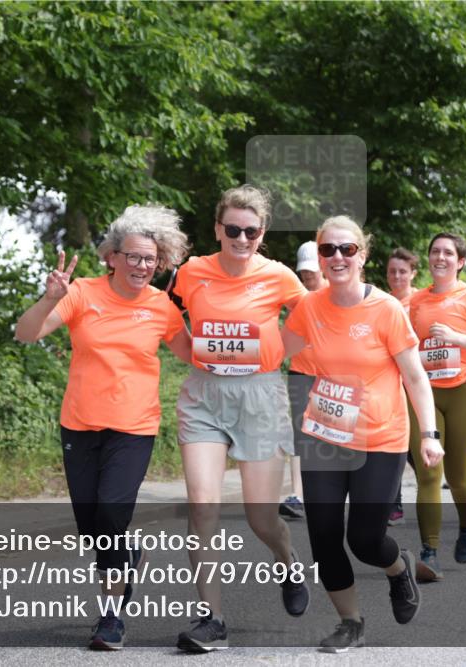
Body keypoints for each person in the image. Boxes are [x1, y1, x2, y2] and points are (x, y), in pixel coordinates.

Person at [14, 205, 191, 650]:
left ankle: (111, 616)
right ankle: (128, 557)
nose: (141, 266)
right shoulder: (82, 294)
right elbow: (26, 333)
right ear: (112, 257)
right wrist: (50, 297)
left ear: (160, 262)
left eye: (150, 259)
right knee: (92, 526)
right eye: (132, 256)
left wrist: (229, 331)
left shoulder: (162, 307)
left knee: (112, 515)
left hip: (134, 428)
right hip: (79, 425)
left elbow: (195, 354)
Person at [281, 216, 443, 653]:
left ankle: (398, 570)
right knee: (325, 536)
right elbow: (287, 363)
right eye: (328, 250)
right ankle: (350, 622)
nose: (337, 257)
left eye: (347, 249)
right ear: (319, 256)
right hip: (324, 439)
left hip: (380, 438)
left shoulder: (386, 309)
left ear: (362, 256)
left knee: (366, 539)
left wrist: (428, 434)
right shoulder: (307, 309)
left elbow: (415, 375)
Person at [168, 185, 309, 652]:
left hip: (260, 398)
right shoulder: (192, 272)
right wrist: (189, 352)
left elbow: (311, 319)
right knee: (202, 505)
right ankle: (212, 619)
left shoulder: (279, 276)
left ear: (262, 233)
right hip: (205, 397)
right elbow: (164, 315)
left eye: (251, 231)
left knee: (260, 517)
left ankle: (287, 561)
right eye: (233, 229)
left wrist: (275, 355)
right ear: (217, 229)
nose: (242, 238)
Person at [407, 232, 466, 579]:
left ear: (460, 261)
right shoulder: (416, 301)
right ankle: (429, 551)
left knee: (457, 476)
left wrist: (456, 338)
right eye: (435, 252)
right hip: (426, 396)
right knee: (428, 474)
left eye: (448, 253)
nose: (440, 257)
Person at [280, 240, 327, 520]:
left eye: (312, 272)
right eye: (304, 272)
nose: (307, 277)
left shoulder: (336, 296)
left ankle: (327, 493)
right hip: (300, 371)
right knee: (300, 435)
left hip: (329, 375)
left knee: (326, 437)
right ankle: (298, 496)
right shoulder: (296, 297)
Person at [385, 247, 418, 526]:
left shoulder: (422, 301)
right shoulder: (380, 302)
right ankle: (394, 503)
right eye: (392, 271)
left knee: (415, 448)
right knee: (391, 443)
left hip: (418, 380)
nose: (397, 276)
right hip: (388, 382)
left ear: (413, 273)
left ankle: (428, 494)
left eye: (402, 271)